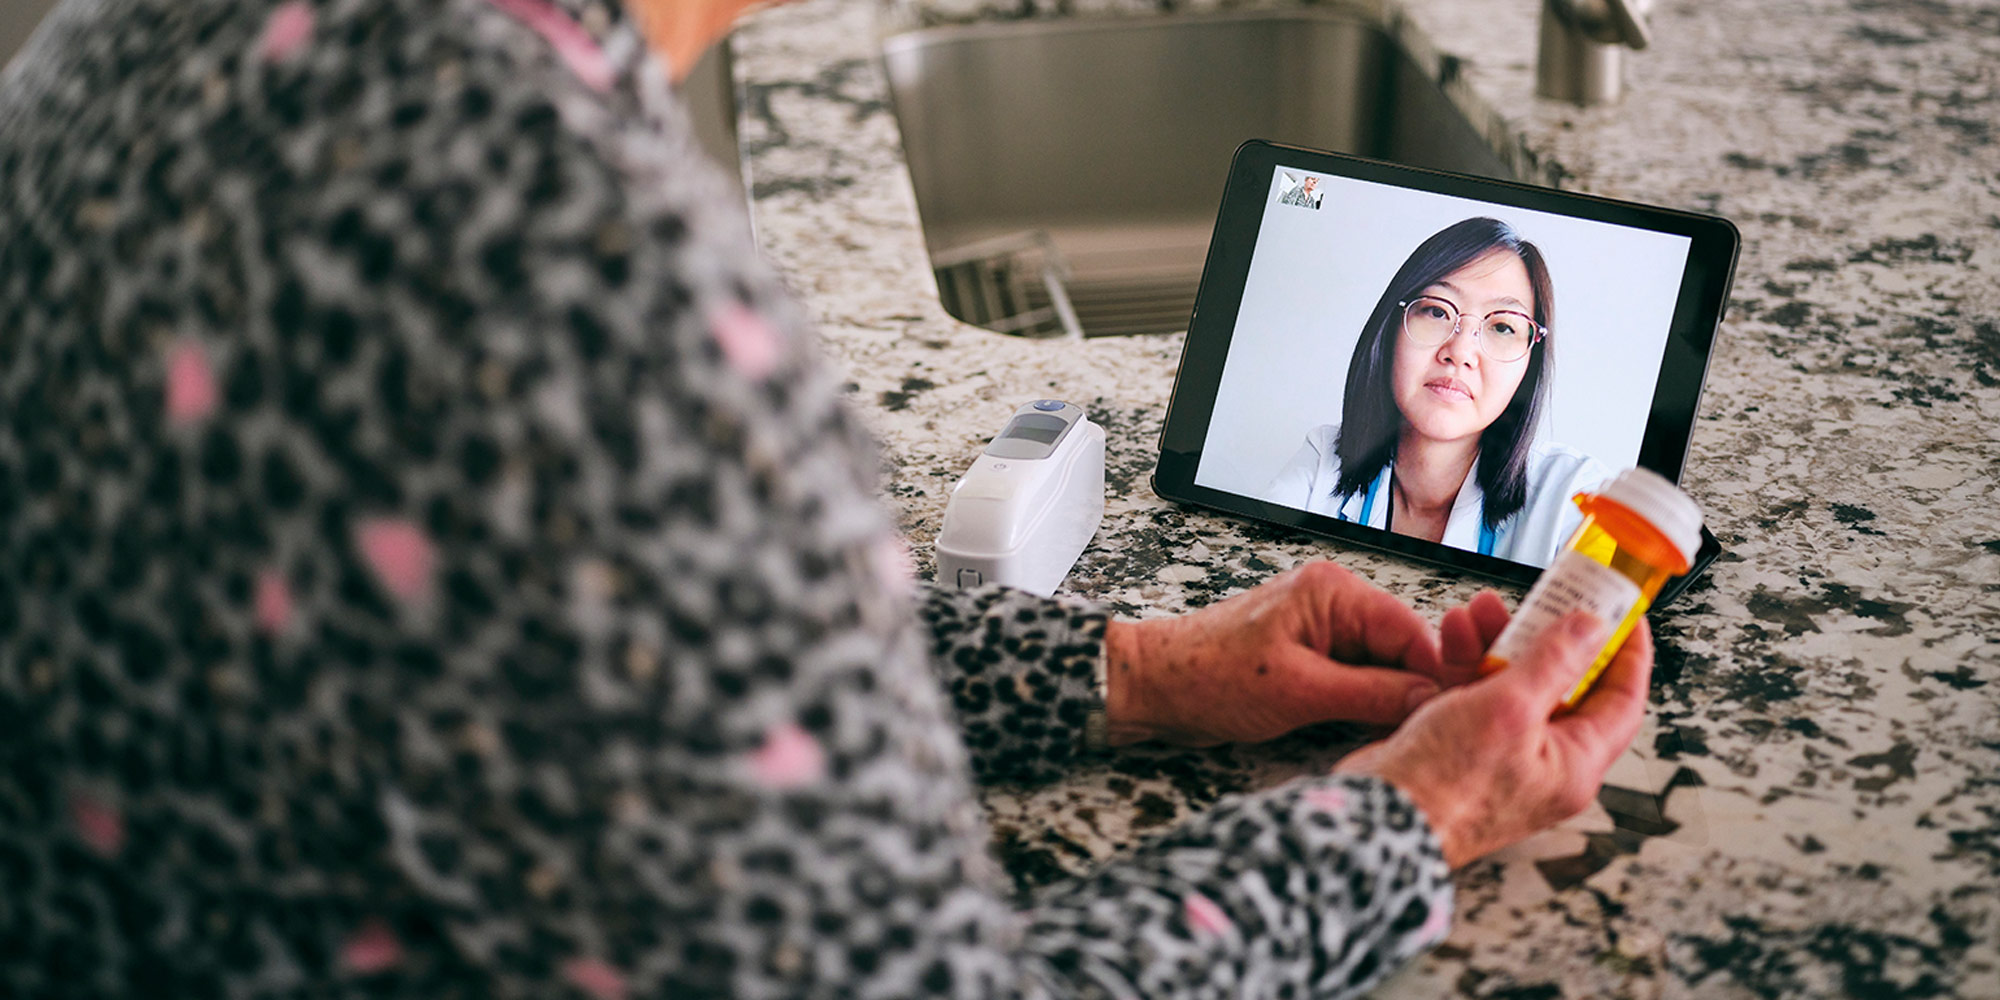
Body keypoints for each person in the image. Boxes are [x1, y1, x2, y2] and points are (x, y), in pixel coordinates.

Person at [0, 1, 1652, 997]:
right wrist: (1411, 822)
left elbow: (564, 621)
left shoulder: (157, 31)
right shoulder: (577, 278)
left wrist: (1135, 670)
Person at [1260, 218, 1611, 567]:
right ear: (1390, 330)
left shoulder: (1575, 497)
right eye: (1437, 311)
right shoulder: (1322, 463)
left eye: (1503, 326)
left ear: (1529, 365)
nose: (1459, 352)